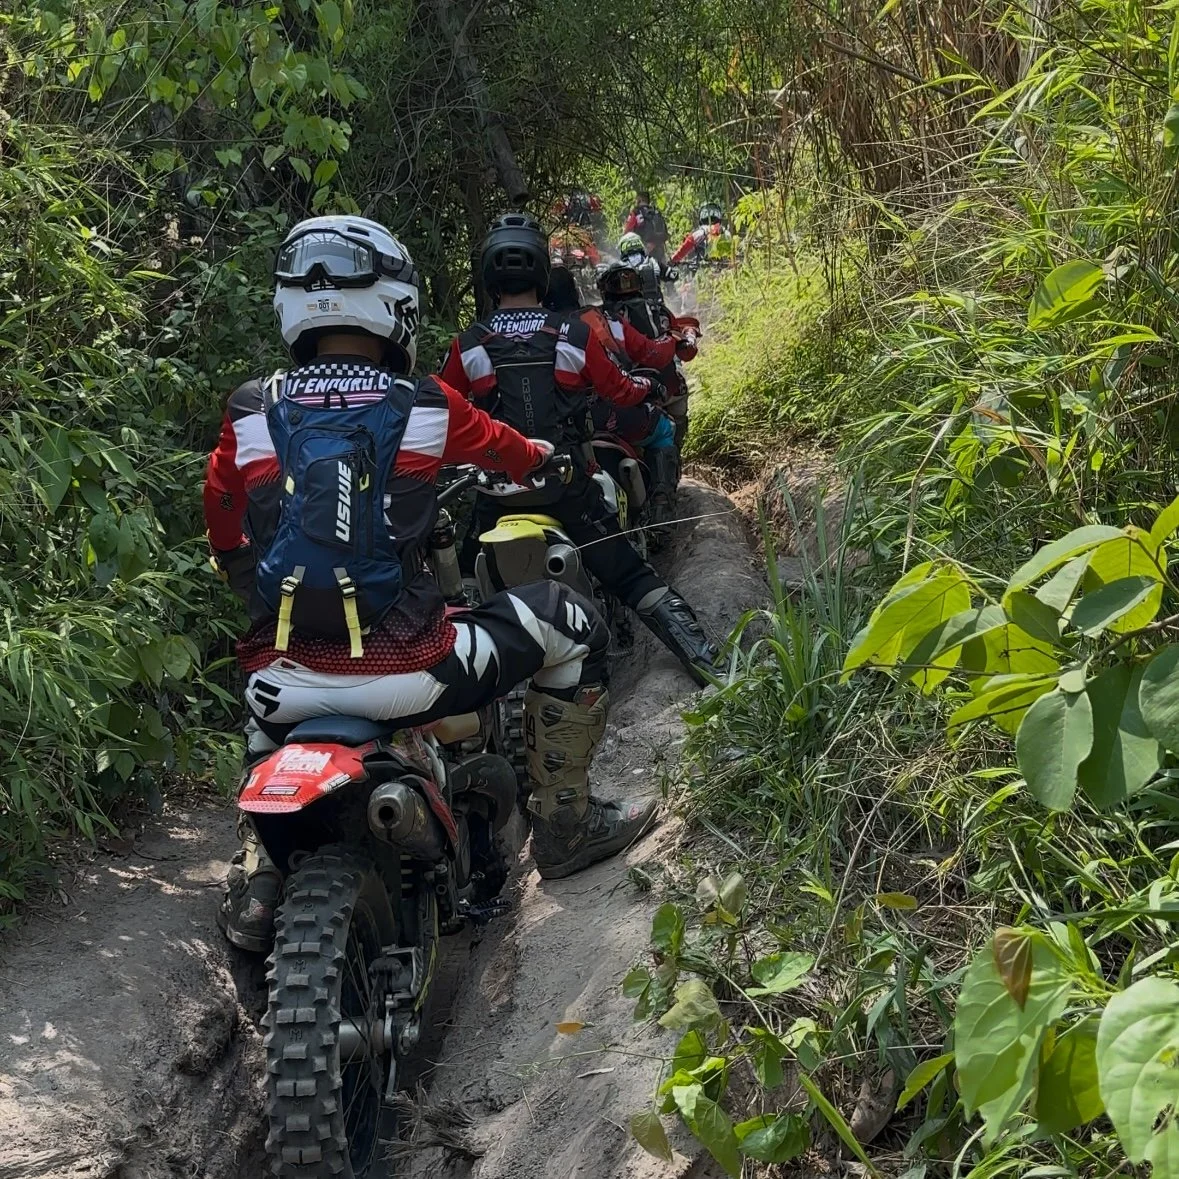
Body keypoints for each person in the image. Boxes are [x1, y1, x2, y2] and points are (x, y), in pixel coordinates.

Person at [205, 215, 660, 950]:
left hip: (280, 679)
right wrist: (542, 455)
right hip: (411, 673)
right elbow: (513, 452)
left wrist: (241, 569)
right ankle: (567, 824)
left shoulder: (251, 408)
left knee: (262, 713)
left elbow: (224, 518)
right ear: (395, 303)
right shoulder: (422, 402)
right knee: (567, 621)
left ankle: (259, 873)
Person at [440, 212, 720, 683]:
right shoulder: (573, 334)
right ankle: (714, 668)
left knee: (458, 592)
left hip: (495, 501)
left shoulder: (469, 345)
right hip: (568, 491)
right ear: (540, 273)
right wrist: (648, 386)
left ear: (489, 275)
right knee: (632, 577)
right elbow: (620, 391)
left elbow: (441, 414)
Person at [543, 262, 695, 523]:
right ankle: (662, 511)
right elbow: (650, 354)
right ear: (576, 292)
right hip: (610, 413)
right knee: (663, 429)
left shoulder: (533, 332)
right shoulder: (603, 322)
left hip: (555, 427)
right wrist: (672, 339)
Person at [623, 190, 669, 264]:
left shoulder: (636, 212)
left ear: (639, 199)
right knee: (662, 273)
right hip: (660, 248)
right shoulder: (656, 212)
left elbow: (626, 232)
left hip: (645, 250)